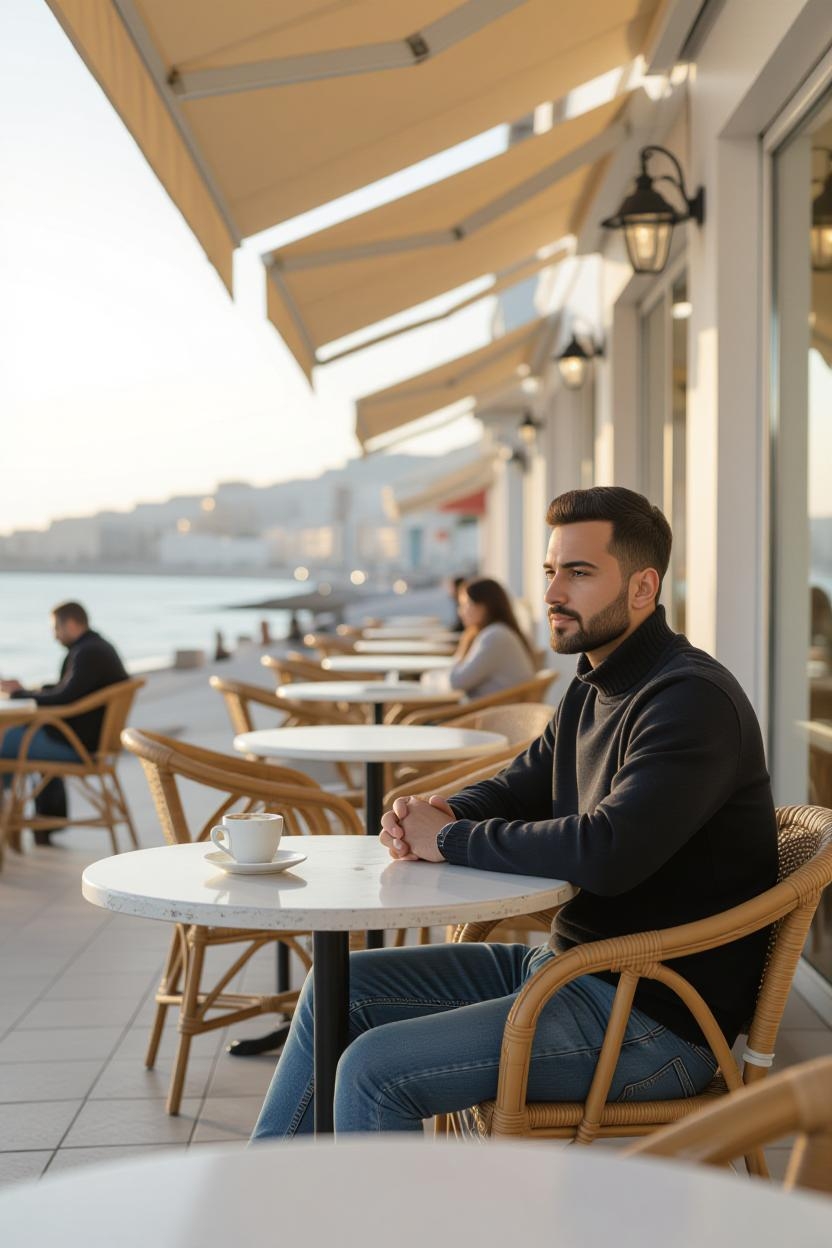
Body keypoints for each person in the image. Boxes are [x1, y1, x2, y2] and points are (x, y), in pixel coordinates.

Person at [251, 486, 778, 1138]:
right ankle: (268, 1205)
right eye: (551, 571)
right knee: (339, 988)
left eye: (580, 573)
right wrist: (440, 810)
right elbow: (518, 784)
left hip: (655, 1020)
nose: (555, 592)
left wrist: (452, 839)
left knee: (374, 1068)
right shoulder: (594, 686)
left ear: (643, 588)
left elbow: (607, 852)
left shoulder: (688, 700)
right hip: (574, 972)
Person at [0, 601, 129, 843]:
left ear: (70, 624)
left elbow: (65, 697)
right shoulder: (96, 648)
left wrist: (19, 695)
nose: (55, 635)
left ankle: (9, 821)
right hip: (87, 741)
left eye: (55, 628)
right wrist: (30, 690)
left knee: (6, 741)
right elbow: (70, 689)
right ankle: (29, 824)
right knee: (16, 739)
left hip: (78, 746)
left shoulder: (88, 652)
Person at [444, 577, 536, 698]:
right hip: (493, 711)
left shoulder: (494, 636)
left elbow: (456, 681)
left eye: (465, 604)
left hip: (492, 714)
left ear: (483, 607)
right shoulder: (499, 632)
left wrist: (463, 645)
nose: (460, 612)